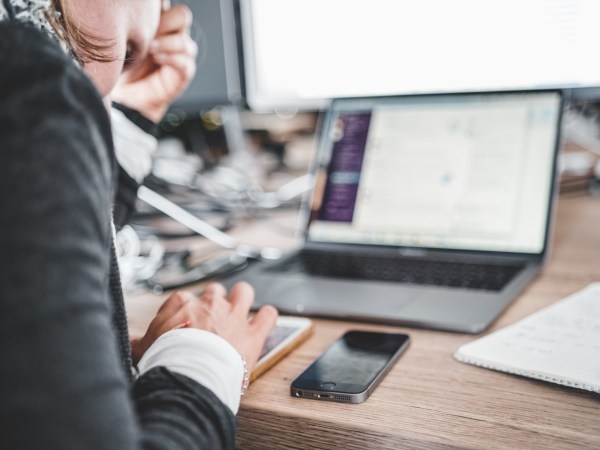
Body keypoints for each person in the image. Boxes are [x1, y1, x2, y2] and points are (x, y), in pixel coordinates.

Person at [0, 0, 278, 448]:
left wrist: (132, 116)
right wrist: (203, 355)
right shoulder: (22, 80)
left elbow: (25, 221)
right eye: (128, 54)